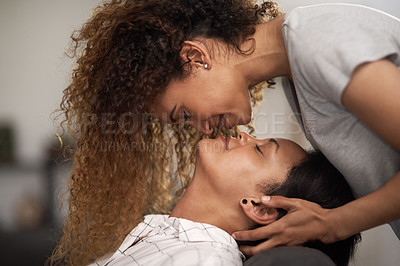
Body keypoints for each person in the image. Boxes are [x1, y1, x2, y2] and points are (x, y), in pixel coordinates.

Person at [53, 0, 399, 264]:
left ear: (194, 57)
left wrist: (335, 224)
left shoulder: (317, 41)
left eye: (183, 114)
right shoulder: (299, 72)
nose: (202, 130)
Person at [89, 133, 360, 266]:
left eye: (258, 149)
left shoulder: (202, 260)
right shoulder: (168, 237)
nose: (244, 134)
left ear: (260, 207)